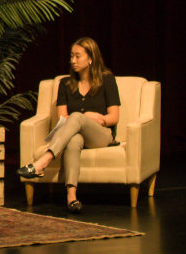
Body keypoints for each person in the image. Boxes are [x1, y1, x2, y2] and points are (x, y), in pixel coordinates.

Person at [17, 37, 120, 214]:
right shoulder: (65, 84)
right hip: (76, 134)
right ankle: (72, 197)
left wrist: (95, 119)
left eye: (77, 56)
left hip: (101, 135)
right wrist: (80, 119)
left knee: (78, 117)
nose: (72, 60)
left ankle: (44, 161)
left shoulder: (107, 80)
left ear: (90, 58)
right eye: (71, 56)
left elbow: (114, 117)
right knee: (73, 140)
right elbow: (63, 120)